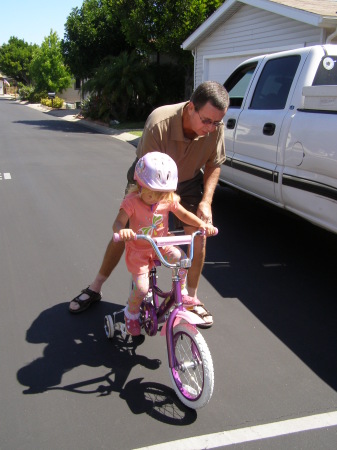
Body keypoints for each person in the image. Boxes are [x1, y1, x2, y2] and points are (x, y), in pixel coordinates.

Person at [69, 80, 229, 327]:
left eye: (216, 122)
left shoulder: (214, 128)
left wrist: (205, 202)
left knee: (198, 234)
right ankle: (96, 286)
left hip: (184, 181)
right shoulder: (160, 122)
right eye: (206, 121)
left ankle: (191, 298)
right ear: (190, 108)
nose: (211, 128)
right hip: (150, 182)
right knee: (129, 233)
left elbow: (214, 164)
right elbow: (147, 176)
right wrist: (153, 207)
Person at [114, 152, 217, 335]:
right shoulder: (131, 202)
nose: (160, 198)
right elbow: (118, 222)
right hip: (139, 249)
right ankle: (131, 313)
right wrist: (122, 230)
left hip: (162, 244)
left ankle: (182, 291)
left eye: (164, 193)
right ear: (140, 186)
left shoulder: (167, 199)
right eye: (154, 194)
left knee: (181, 258)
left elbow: (184, 215)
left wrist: (202, 224)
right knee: (142, 288)